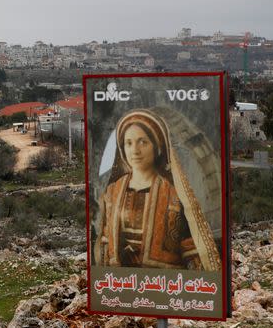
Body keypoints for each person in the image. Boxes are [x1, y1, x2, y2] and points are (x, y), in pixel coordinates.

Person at [94, 108, 221, 271]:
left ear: (157, 146)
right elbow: (105, 243)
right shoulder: (112, 191)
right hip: (121, 284)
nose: (135, 150)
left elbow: (191, 249)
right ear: (122, 148)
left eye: (143, 142)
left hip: (164, 285)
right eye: (129, 143)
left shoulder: (174, 196)